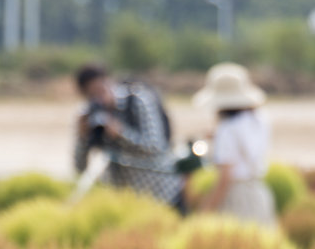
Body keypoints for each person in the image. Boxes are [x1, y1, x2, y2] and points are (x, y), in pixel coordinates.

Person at [73, 63, 184, 209]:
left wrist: (121, 133)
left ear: (108, 81)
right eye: (92, 95)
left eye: (99, 90)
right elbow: (80, 168)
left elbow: (154, 146)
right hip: (126, 202)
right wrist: (82, 138)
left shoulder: (138, 100)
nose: (98, 98)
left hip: (162, 195)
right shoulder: (89, 115)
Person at [192, 63, 277, 228]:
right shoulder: (260, 119)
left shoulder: (227, 130)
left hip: (237, 199)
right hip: (259, 192)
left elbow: (226, 178)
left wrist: (206, 209)